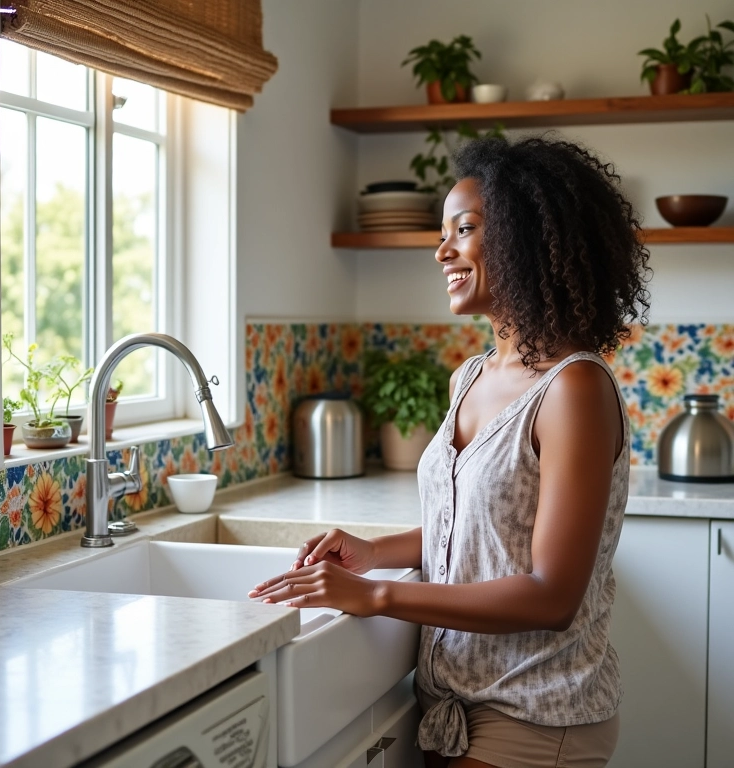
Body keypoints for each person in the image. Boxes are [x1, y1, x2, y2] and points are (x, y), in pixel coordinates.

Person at [248, 135, 651, 768]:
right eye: (443, 232)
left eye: (463, 229)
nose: (442, 250)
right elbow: (471, 529)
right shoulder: (472, 376)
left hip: (536, 715)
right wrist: (374, 553)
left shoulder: (572, 387)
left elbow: (551, 595)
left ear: (525, 239)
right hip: (455, 707)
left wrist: (378, 596)